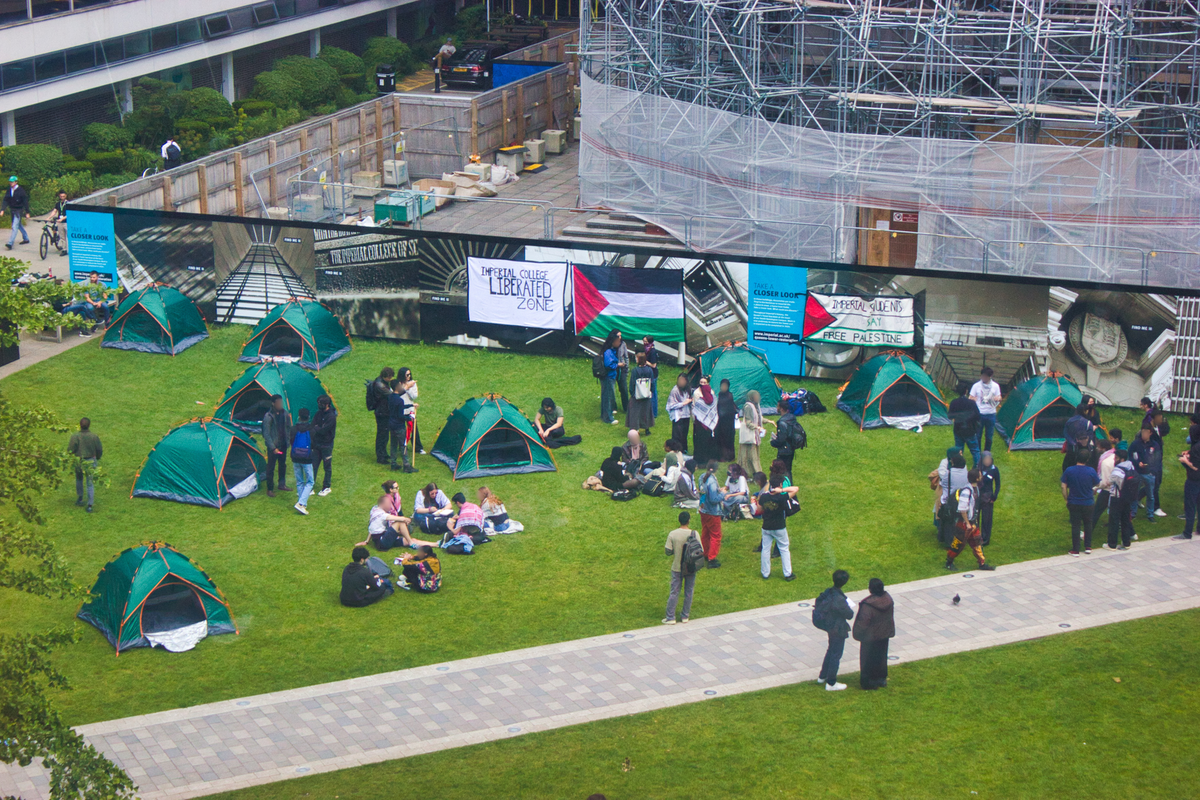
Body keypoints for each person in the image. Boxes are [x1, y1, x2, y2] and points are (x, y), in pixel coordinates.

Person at [945, 468, 996, 571]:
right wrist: (967, 523)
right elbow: (962, 509)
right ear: (977, 478)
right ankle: (948, 562)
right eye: (980, 475)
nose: (981, 477)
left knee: (977, 543)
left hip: (972, 523)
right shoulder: (967, 491)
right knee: (958, 544)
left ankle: (982, 563)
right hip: (964, 524)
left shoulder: (975, 489)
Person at [852, 578, 895, 690]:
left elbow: (863, 622)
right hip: (884, 633)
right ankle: (881, 679)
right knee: (881, 656)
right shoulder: (888, 600)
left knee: (867, 659)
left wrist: (857, 633)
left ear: (870, 589)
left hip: (870, 636)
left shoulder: (868, 605)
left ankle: (868, 682)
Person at [816, 570, 854, 691]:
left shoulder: (829, 592)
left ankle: (822, 676)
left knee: (831, 650)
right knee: (836, 654)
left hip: (829, 625)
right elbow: (849, 614)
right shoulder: (839, 599)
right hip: (837, 628)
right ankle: (831, 683)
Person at [756, 476, 797, 580]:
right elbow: (795, 489)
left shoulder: (764, 497)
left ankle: (765, 573)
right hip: (779, 527)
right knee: (784, 549)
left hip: (766, 526)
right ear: (779, 485)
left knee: (765, 549)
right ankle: (788, 573)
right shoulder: (782, 497)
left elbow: (759, 509)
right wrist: (782, 490)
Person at [1061, 450, 1099, 555]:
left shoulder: (1069, 470)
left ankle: (1075, 549)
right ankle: (1088, 546)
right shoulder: (1091, 471)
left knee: (1075, 525)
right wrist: (1093, 490)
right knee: (1088, 524)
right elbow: (1098, 483)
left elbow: (1063, 486)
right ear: (1087, 459)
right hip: (1088, 502)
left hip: (1074, 502)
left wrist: (1066, 498)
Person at [664, 511, 699, 624]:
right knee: (689, 591)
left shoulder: (673, 534)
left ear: (679, 520)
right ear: (689, 520)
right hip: (690, 567)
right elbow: (700, 550)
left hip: (677, 567)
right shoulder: (694, 534)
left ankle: (670, 617)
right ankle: (685, 616)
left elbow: (668, 551)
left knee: (674, 591)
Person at [935, 449, 969, 546]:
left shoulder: (949, 473)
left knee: (948, 522)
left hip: (949, 501)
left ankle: (948, 541)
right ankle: (960, 540)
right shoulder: (965, 473)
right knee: (959, 521)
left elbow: (943, 483)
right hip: (961, 499)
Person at [67, 417, 102, 512]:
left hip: (79, 461)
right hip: (91, 460)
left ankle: (80, 498)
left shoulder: (75, 436)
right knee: (90, 483)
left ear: (80, 425)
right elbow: (99, 449)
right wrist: (97, 457)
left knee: (79, 479)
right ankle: (90, 505)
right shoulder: (94, 436)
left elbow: (70, 450)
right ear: (89, 425)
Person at [1106, 450, 1138, 550]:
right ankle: (1126, 542)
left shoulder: (1117, 470)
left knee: (1114, 520)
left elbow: (1110, 481)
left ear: (1121, 459)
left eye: (1116, 458)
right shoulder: (1131, 465)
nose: (1115, 460)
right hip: (1128, 497)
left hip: (1117, 497)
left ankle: (1112, 544)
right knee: (1125, 520)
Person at [1173, 425, 1200, 541]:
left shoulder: (1195, 448)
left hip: (1193, 481)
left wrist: (1185, 461)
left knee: (1190, 506)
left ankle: (1187, 532)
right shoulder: (1196, 448)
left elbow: (1195, 468)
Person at [1129, 425, 1159, 523]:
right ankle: (1133, 513)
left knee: (1150, 495)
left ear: (1150, 433)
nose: (1144, 435)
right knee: (1134, 493)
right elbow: (1130, 456)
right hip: (1137, 472)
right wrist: (1137, 464)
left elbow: (1157, 459)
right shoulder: (1135, 444)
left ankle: (1150, 514)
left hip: (1149, 473)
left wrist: (1152, 470)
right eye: (1142, 432)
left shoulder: (1154, 445)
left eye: (1146, 432)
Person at [261, 394, 290, 497]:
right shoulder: (268, 417)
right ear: (273, 403)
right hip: (274, 447)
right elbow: (266, 434)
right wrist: (273, 447)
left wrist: (288, 441)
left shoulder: (285, 414)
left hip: (283, 445)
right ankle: (270, 488)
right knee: (271, 468)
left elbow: (288, 427)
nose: (280, 404)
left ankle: (282, 484)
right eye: (278, 402)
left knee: (282, 465)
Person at [697, 460, 724, 568]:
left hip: (703, 509)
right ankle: (712, 558)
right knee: (715, 535)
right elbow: (713, 499)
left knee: (706, 532)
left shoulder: (701, 477)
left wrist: (718, 490)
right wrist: (723, 494)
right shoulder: (712, 481)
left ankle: (705, 552)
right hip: (712, 512)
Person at [387, 378, 417, 473]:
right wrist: (409, 418)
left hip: (391, 425)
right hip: (399, 426)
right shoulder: (399, 400)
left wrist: (410, 406)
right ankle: (406, 465)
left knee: (393, 444)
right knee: (403, 445)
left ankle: (393, 463)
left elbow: (399, 407)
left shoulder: (391, 397)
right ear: (397, 387)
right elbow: (400, 415)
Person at [969, 367, 1002, 452]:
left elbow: (999, 397)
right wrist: (975, 399)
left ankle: (987, 453)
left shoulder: (995, 386)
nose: (983, 378)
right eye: (982, 376)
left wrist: (997, 399)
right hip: (979, 414)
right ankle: (978, 453)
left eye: (985, 377)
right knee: (978, 435)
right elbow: (970, 397)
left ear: (990, 376)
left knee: (989, 436)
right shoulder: (976, 386)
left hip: (991, 414)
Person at [949, 382, 982, 466]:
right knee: (975, 450)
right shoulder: (971, 403)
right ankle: (977, 467)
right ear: (966, 391)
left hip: (958, 430)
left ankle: (957, 466)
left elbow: (950, 416)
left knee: (959, 450)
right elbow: (978, 416)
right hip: (970, 430)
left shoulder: (954, 402)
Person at [311, 394, 337, 497]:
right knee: (314, 465)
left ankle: (326, 487)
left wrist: (318, 428)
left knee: (327, 466)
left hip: (327, 445)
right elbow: (313, 426)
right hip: (317, 444)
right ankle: (310, 486)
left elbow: (323, 430)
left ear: (327, 404)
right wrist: (317, 429)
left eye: (321, 404)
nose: (319, 405)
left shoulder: (331, 417)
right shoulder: (318, 414)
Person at [290, 407, 314, 515]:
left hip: (295, 457)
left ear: (299, 416)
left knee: (300, 481)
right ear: (308, 417)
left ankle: (301, 503)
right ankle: (301, 503)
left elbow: (291, 441)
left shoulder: (294, 429)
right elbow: (314, 443)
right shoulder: (311, 429)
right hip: (307, 459)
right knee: (310, 481)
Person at [738, 389, 766, 477]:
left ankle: (754, 473)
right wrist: (757, 427)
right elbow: (749, 422)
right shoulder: (748, 407)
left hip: (754, 435)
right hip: (749, 435)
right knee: (748, 456)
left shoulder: (756, 406)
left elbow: (759, 418)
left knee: (753, 455)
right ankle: (750, 473)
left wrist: (769, 421)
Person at [771, 400, 803, 477]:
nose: (777, 408)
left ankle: (785, 486)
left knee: (782, 471)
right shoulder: (791, 418)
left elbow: (781, 440)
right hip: (791, 448)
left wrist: (773, 442)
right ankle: (789, 485)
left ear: (781, 408)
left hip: (784, 450)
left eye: (778, 406)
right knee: (788, 470)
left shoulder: (782, 422)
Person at [1062, 402, 1097, 473]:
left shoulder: (1069, 421)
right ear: (1085, 411)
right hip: (1083, 448)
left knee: (1068, 463)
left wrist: (1072, 442)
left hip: (1071, 447)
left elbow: (1065, 433)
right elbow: (1090, 435)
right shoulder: (1088, 423)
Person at [396, 367, 423, 456]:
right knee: (400, 429)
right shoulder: (397, 384)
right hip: (400, 409)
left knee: (414, 428)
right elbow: (396, 395)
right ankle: (401, 446)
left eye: (410, 374)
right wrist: (405, 387)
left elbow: (414, 396)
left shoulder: (412, 384)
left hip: (410, 409)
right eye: (407, 375)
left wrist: (409, 388)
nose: (409, 376)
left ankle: (418, 447)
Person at [626, 352, 656, 433]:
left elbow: (632, 383)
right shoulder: (649, 370)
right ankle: (647, 429)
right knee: (646, 412)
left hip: (637, 395)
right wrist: (650, 392)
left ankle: (635, 428)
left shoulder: (635, 371)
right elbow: (652, 383)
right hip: (646, 395)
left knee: (634, 412)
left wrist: (632, 393)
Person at [691, 377, 719, 464]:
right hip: (708, 425)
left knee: (700, 441)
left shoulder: (701, 401)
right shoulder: (712, 398)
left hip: (700, 425)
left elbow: (696, 410)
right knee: (708, 440)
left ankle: (700, 459)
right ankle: (708, 458)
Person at [370, 367, 395, 464]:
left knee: (385, 434)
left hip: (384, 411)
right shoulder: (380, 385)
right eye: (390, 377)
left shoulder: (381, 382)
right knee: (382, 434)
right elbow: (391, 394)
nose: (391, 379)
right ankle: (380, 457)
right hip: (382, 413)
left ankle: (384, 453)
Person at [1149, 409, 1170, 517]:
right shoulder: (1149, 431)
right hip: (1153, 462)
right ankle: (1155, 507)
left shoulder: (1158, 429)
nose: (1161, 420)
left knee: (1155, 483)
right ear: (1154, 419)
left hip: (1158, 461)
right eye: (1159, 418)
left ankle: (1138, 497)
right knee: (1155, 484)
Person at [1092, 439, 1116, 532]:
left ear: (1103, 448)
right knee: (1121, 512)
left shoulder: (1105, 462)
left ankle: (1088, 532)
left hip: (1108, 490)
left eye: (1099, 447)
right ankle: (1132, 534)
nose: (1097, 448)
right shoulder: (1114, 455)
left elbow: (1105, 482)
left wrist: (1095, 487)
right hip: (1118, 489)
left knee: (1096, 511)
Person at [977, 451, 1001, 546]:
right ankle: (975, 537)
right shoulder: (977, 468)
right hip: (977, 496)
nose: (987, 461)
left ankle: (985, 539)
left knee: (987, 519)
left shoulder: (994, 469)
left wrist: (994, 495)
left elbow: (998, 484)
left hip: (988, 497)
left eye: (989, 460)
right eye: (985, 459)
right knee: (975, 518)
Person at [666, 374, 693, 453]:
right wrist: (683, 403)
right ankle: (676, 450)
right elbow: (671, 405)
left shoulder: (688, 390)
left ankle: (684, 449)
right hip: (677, 416)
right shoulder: (675, 390)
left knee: (684, 434)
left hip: (686, 415)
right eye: (680, 380)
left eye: (683, 380)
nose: (681, 382)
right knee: (677, 435)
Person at [599, 330, 620, 425]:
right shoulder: (608, 352)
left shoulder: (610, 350)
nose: (619, 343)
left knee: (605, 396)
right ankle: (608, 418)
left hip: (609, 377)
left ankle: (604, 415)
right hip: (608, 377)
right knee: (607, 397)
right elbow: (608, 365)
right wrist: (617, 365)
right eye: (617, 341)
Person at [3, 176, 30, 250]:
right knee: (18, 225)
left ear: (16, 182)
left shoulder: (21, 191)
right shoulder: (9, 190)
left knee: (14, 226)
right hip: (12, 210)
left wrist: (27, 212)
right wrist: (2, 209)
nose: (11, 183)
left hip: (19, 210)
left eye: (12, 182)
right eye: (10, 182)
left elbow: (25, 202)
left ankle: (10, 243)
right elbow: (5, 200)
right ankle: (26, 238)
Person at [715, 378, 738, 462]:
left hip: (728, 422)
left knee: (728, 439)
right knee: (720, 438)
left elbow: (729, 409)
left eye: (725, 386)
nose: (723, 387)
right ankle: (721, 455)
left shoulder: (729, 396)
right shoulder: (720, 394)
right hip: (720, 422)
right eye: (722, 386)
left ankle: (728, 456)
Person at [643, 336, 660, 419]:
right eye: (643, 341)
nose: (644, 342)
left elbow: (654, 365)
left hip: (653, 374)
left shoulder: (652, 351)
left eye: (646, 341)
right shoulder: (647, 349)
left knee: (653, 393)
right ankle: (650, 410)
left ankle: (654, 412)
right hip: (649, 373)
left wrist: (644, 361)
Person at [615, 330, 631, 413]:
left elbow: (626, 356)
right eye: (618, 336)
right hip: (614, 367)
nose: (620, 337)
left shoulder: (623, 344)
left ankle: (626, 407)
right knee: (612, 388)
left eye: (620, 335)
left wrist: (627, 368)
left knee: (624, 388)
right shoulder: (611, 344)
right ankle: (613, 407)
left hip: (622, 369)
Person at [49, 189, 68, 255]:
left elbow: (69, 214)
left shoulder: (68, 204)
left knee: (69, 236)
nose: (62, 198)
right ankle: (64, 249)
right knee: (62, 236)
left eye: (63, 196)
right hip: (60, 222)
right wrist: (49, 217)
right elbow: (54, 211)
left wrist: (62, 218)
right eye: (61, 196)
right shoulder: (58, 204)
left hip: (66, 222)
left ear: (65, 196)